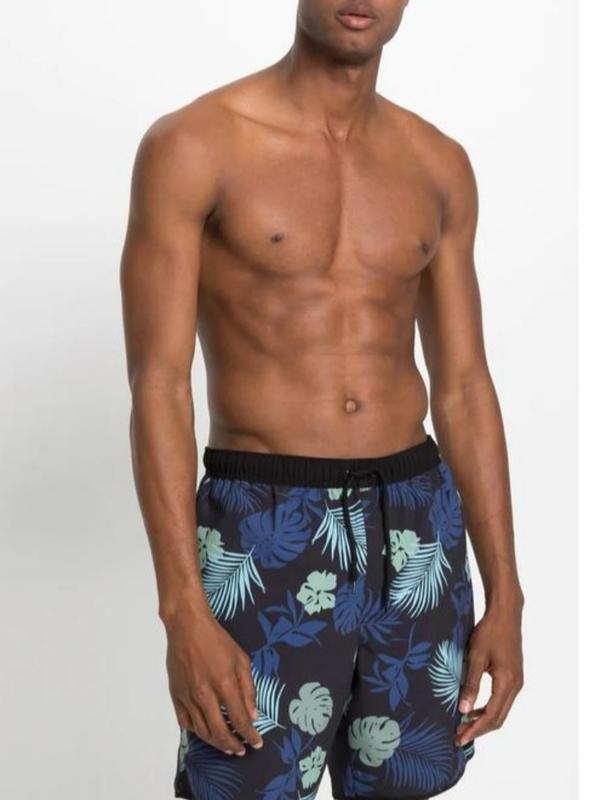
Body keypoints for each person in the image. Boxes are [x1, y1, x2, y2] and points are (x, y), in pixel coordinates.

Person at [120, 1, 524, 798]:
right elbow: (158, 386)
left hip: (415, 521)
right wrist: (182, 609)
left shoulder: (436, 162)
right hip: (265, 523)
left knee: (406, 785)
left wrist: (505, 592)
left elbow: (464, 386)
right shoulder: (195, 144)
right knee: (244, 783)